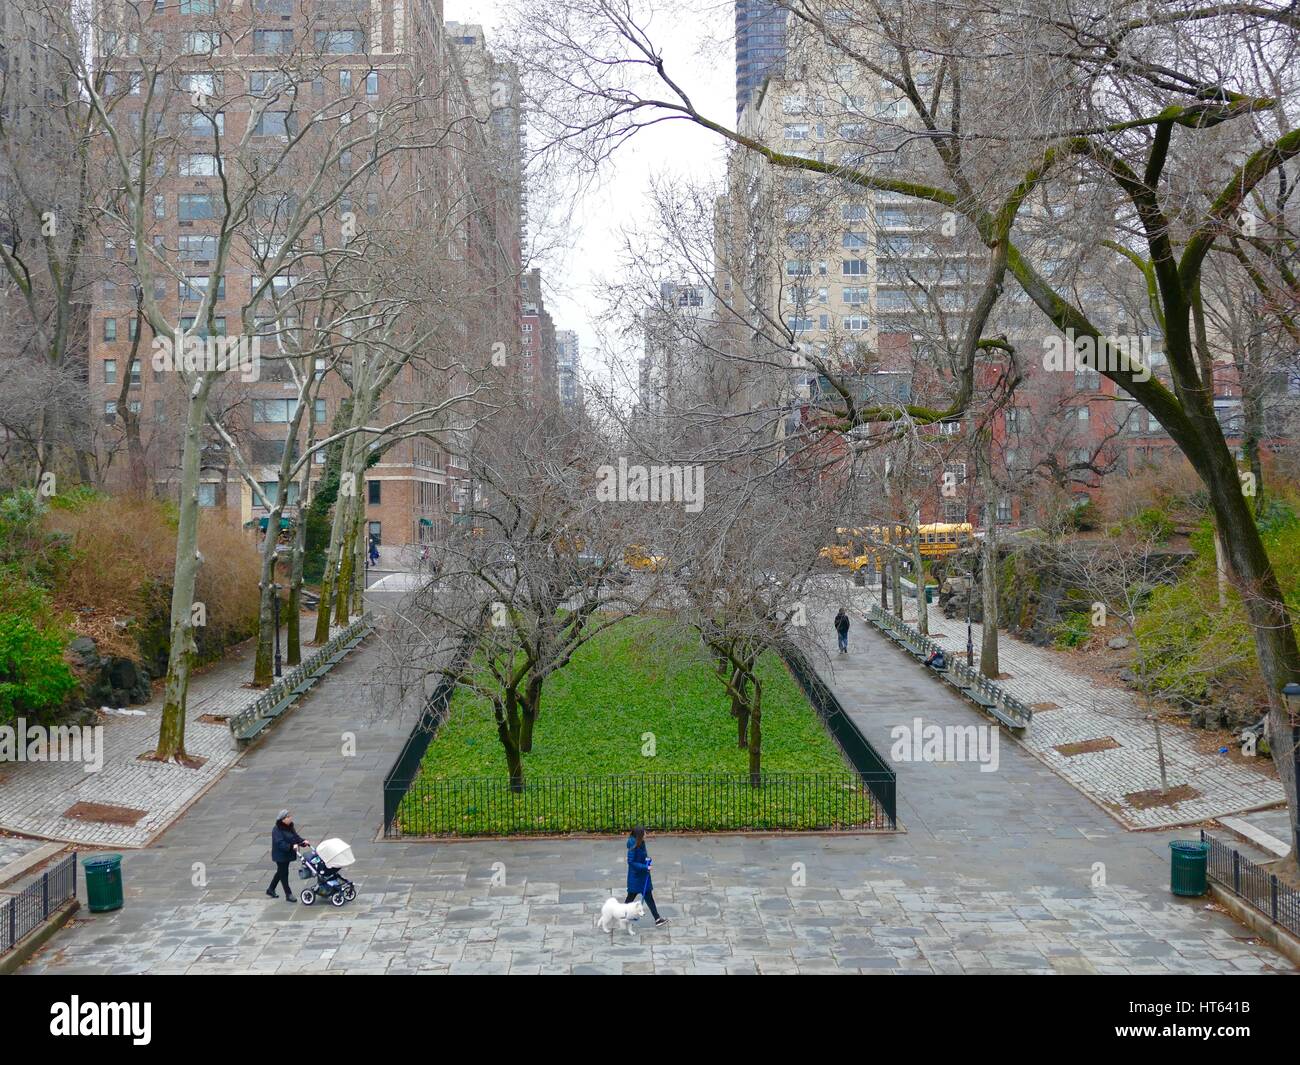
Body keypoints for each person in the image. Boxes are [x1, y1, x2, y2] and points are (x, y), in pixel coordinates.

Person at [625, 826, 667, 927]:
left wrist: (647, 860)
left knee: (648, 897)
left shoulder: (641, 842)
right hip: (636, 877)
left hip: (642, 877)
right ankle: (621, 914)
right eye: (644, 833)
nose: (646, 835)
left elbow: (641, 856)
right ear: (640, 835)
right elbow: (631, 861)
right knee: (630, 898)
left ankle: (657, 918)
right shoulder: (633, 845)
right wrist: (645, 867)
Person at [267, 810, 309, 902]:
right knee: (284, 874)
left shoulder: (289, 826)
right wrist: (291, 846)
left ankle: (271, 889)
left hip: (287, 854)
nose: (291, 818)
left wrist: (303, 842)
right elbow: (280, 843)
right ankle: (288, 894)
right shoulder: (276, 829)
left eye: (290, 816)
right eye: (288, 817)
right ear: (283, 819)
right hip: (280, 855)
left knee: (280, 872)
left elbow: (295, 837)